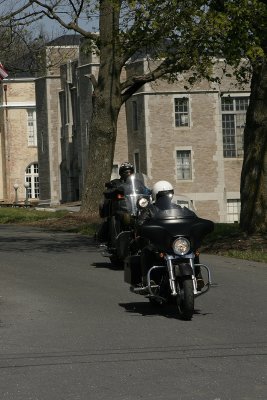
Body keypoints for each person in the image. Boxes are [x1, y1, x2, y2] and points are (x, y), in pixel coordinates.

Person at [136, 180, 204, 290]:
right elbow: (140, 224)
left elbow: (192, 217)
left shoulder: (178, 208)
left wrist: (198, 224)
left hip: (174, 241)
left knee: (193, 249)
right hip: (159, 242)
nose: (166, 197)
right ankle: (147, 280)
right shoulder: (149, 210)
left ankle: (198, 275)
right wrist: (144, 228)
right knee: (146, 251)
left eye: (167, 194)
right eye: (163, 195)